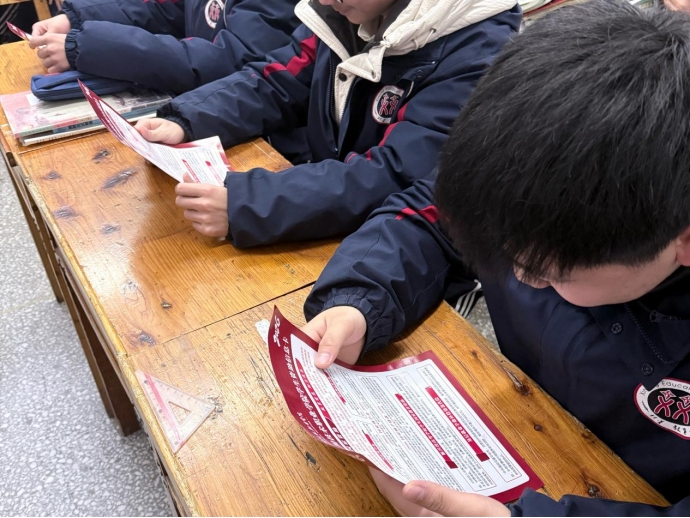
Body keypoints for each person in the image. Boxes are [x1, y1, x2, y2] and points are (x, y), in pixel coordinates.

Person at [300, 0, 690, 515]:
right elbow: (432, 216)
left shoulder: (616, 209)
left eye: (551, 271)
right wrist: (361, 300)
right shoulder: (525, 192)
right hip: (522, 426)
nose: (519, 273)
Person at [133, 0, 522, 248]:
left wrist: (250, 204)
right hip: (323, 213)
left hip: (404, 254)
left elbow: (398, 174)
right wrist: (189, 118)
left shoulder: (477, 54)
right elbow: (277, 80)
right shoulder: (346, 12)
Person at [26, 0, 301, 95]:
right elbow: (166, 10)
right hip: (200, 102)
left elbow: (230, 63)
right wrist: (75, 20)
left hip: (255, 132)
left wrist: (85, 46)